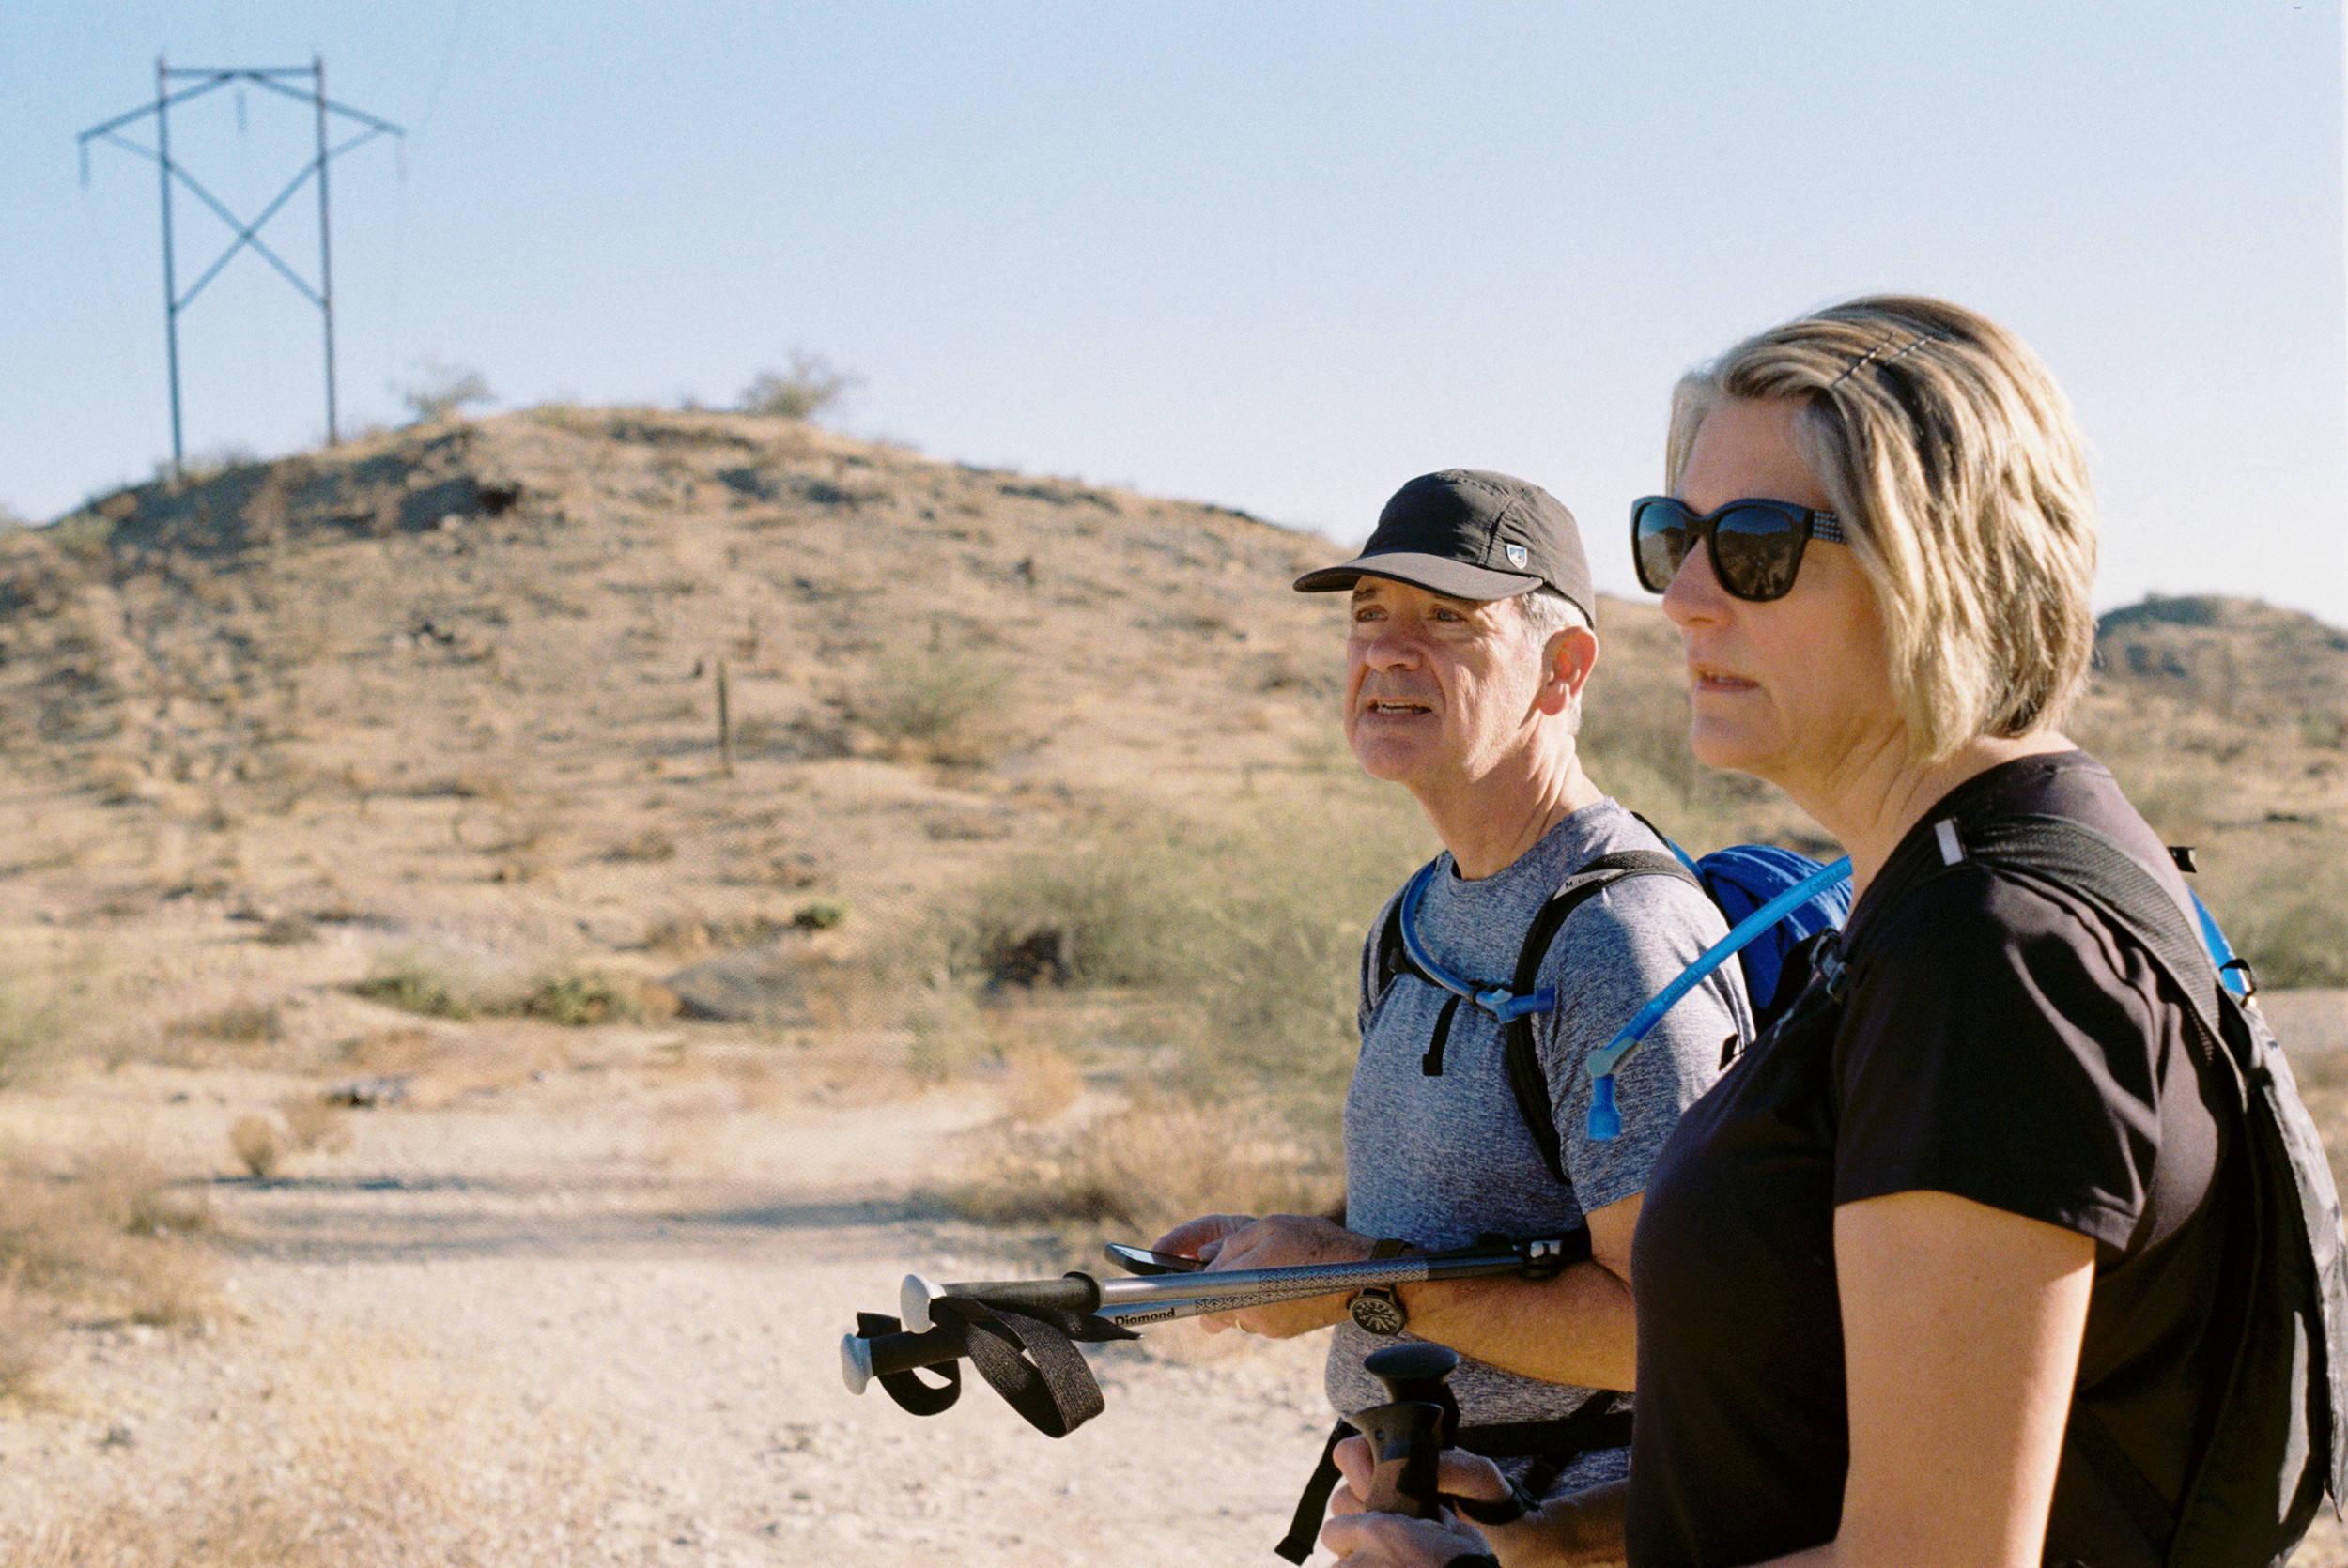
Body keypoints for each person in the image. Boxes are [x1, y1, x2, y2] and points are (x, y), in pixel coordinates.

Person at [1321, 296, 2239, 1568]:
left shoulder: (1993, 953)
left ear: (1943, 562)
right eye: (1671, 536)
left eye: (1755, 544)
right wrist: (1555, 1540)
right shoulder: (1937, 897)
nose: (1685, 598)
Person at [1151, 469, 1752, 1526]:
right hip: (1413, 1507)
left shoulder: (1622, 941)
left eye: (1446, 619)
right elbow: (1444, 1219)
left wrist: (1351, 1279)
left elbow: (1669, 1326)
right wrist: (1286, 1247)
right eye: (1368, 615)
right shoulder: (1413, 921)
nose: (1387, 649)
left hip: (1569, 1529)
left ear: (1562, 669)